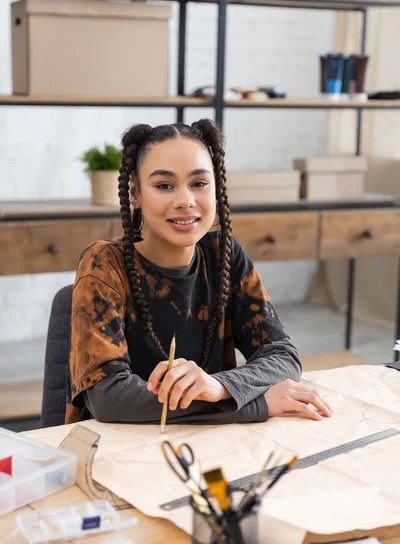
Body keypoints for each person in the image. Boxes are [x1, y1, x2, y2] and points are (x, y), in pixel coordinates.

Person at [66, 119, 332, 425]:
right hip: (115, 453)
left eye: (199, 183)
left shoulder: (224, 256)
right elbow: (109, 397)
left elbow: (282, 356)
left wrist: (218, 387)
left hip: (209, 446)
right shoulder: (103, 264)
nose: (185, 201)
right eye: (164, 185)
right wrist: (251, 405)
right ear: (135, 193)